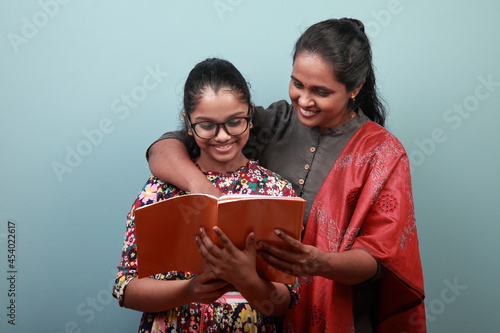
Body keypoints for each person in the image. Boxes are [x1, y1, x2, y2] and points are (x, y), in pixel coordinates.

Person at [146, 18, 426, 333]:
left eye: (320, 91)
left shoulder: (382, 153)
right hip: (255, 314)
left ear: (355, 88)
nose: (304, 101)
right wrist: (203, 188)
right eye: (297, 84)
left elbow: (380, 261)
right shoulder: (273, 121)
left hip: (333, 313)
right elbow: (164, 149)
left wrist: (321, 263)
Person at [113, 58, 300, 333]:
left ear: (250, 117)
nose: (222, 137)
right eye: (207, 125)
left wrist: (247, 278)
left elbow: (284, 300)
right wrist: (190, 291)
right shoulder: (160, 190)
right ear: (188, 124)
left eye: (235, 122)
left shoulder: (276, 191)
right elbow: (126, 289)